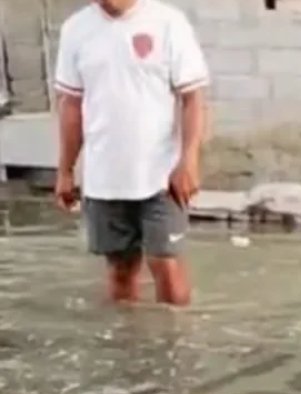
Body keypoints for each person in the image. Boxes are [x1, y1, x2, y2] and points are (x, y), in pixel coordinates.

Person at [54, 0, 209, 306]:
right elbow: (71, 105)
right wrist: (65, 170)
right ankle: (127, 348)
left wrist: (188, 160)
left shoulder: (168, 22)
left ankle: (175, 347)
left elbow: (193, 99)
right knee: (120, 269)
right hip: (104, 177)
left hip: (161, 176)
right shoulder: (76, 29)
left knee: (167, 264)